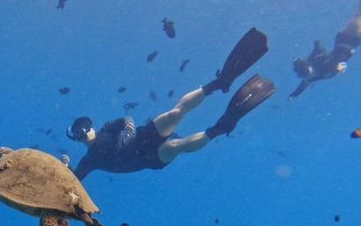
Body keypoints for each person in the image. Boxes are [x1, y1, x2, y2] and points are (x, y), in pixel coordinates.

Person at [65, 28, 276, 182]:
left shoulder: (106, 129)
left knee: (174, 114)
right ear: (76, 138)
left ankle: (218, 83)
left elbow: (125, 119)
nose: (83, 132)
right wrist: (65, 168)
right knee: (176, 146)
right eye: (77, 132)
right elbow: (73, 180)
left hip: (142, 137)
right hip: (149, 160)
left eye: (84, 126)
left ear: (91, 126)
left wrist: (129, 127)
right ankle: (217, 129)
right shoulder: (88, 160)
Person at [289, 0, 361, 100]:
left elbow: (331, 54)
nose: (308, 74)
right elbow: (301, 88)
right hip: (354, 44)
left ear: (308, 65)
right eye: (304, 75)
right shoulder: (313, 78)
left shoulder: (317, 60)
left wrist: (341, 63)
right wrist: (292, 96)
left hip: (346, 38)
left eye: (306, 71)